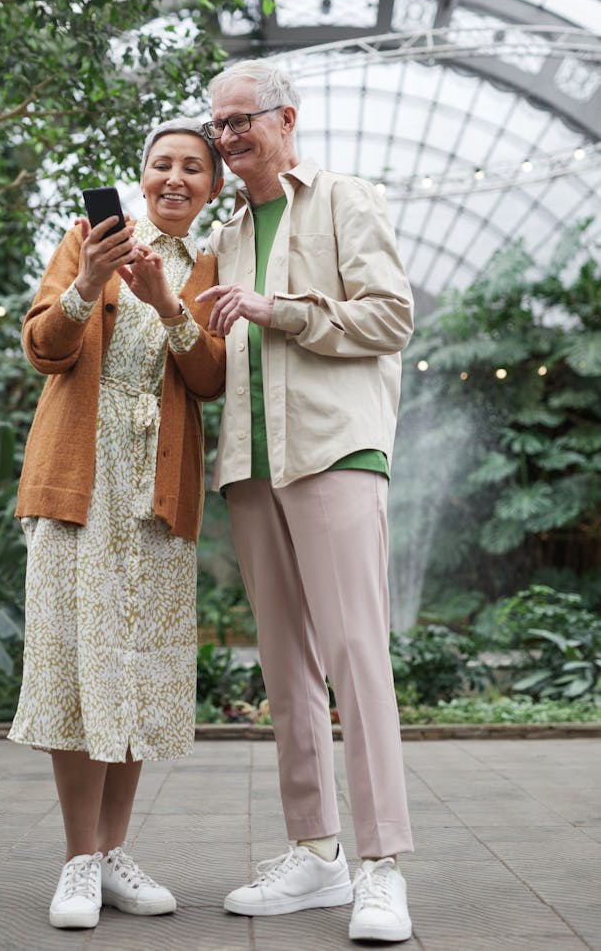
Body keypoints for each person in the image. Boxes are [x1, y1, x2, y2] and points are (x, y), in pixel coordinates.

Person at [196, 60, 415, 944]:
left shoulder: (343, 197)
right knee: (284, 669)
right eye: (218, 124)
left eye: (241, 119)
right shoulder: (230, 230)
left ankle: (382, 868)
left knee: (357, 659)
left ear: (286, 117)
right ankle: (316, 854)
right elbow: (217, 353)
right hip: (252, 466)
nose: (227, 136)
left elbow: (391, 316)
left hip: (334, 450)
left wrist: (276, 308)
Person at [8, 118, 225, 930]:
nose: (175, 178)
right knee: (75, 663)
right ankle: (76, 860)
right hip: (79, 484)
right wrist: (86, 282)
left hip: (157, 496)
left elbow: (209, 377)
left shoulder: (210, 264)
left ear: (212, 187)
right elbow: (43, 346)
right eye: (162, 164)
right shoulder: (87, 241)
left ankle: (111, 853)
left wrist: (171, 306)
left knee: (132, 668)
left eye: (193, 168)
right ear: (141, 176)